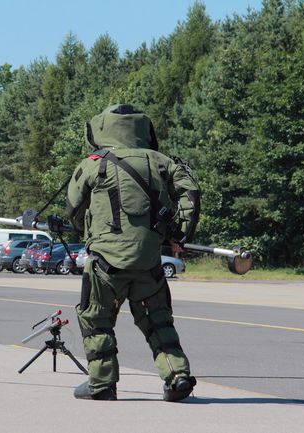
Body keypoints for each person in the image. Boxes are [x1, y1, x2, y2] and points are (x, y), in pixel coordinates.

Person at [65, 104, 201, 402]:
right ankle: (177, 376)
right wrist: (180, 235)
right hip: (149, 262)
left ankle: (102, 384)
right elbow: (191, 194)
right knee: (158, 322)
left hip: (105, 264)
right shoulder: (163, 162)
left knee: (96, 321)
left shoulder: (93, 163)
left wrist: (85, 232)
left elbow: (73, 209)